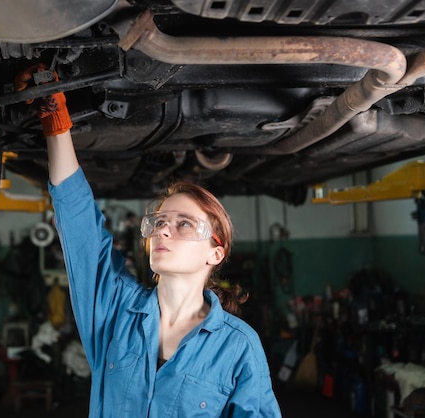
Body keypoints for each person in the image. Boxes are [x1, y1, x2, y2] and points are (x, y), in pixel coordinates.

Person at [15, 64, 283, 417]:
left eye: (184, 224)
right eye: (159, 222)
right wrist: (56, 123)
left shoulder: (237, 345)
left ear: (215, 253)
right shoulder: (114, 311)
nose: (163, 230)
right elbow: (82, 233)